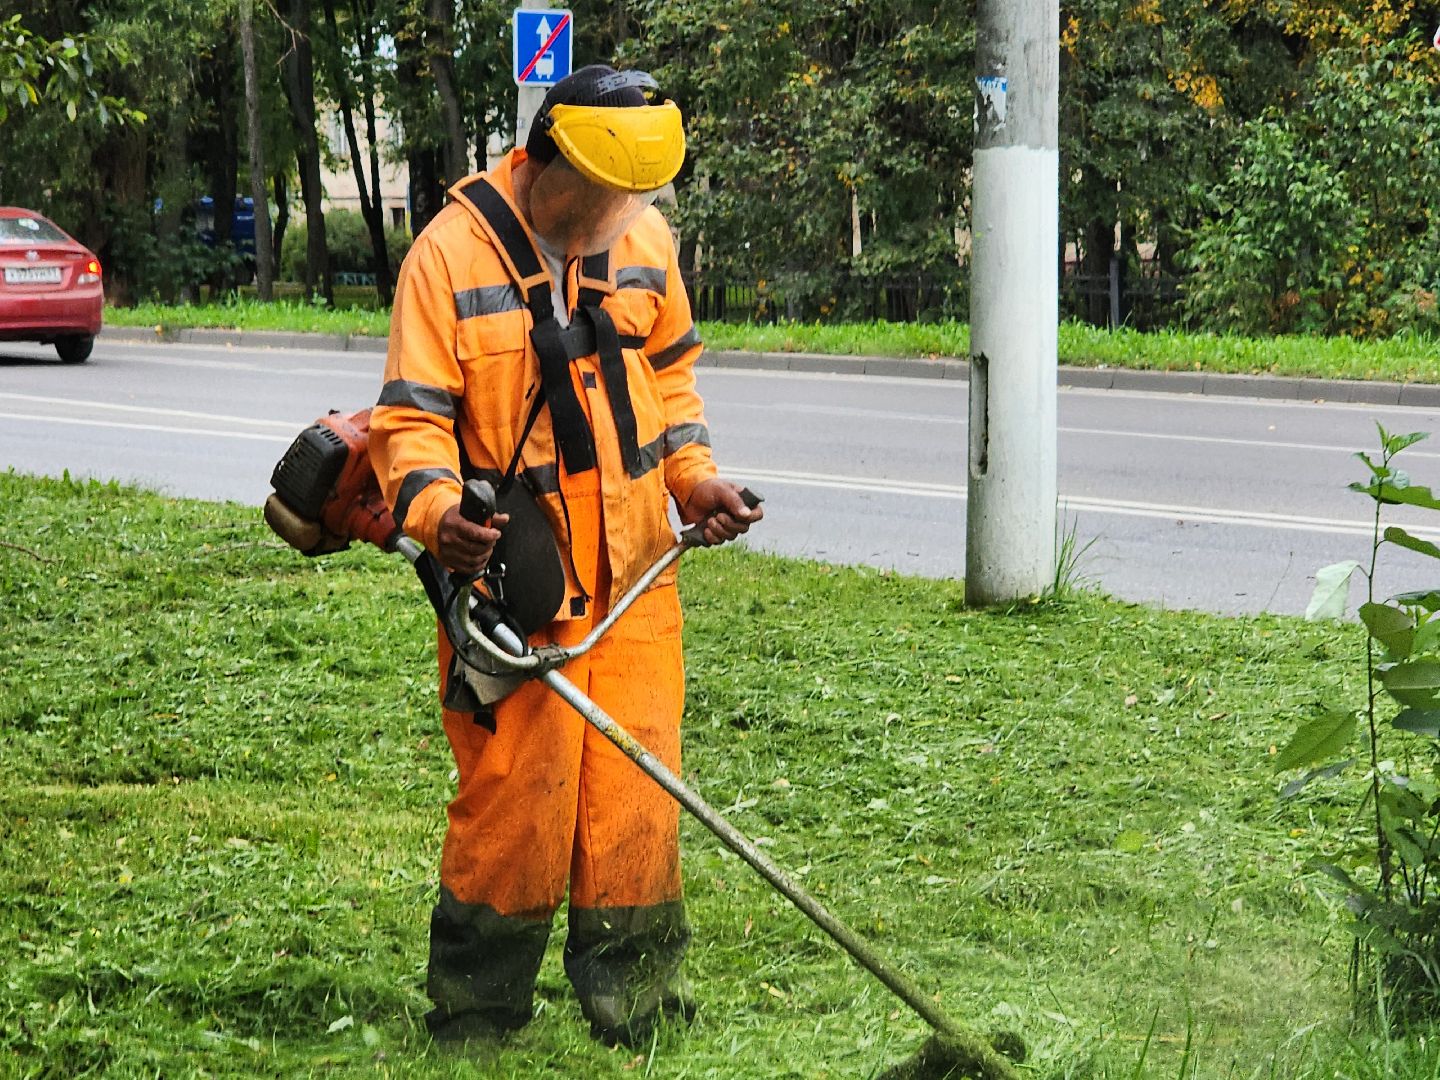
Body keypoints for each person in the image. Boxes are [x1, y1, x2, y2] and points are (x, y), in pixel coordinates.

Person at [368, 64, 762, 1049]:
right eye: (599, 197)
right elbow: (409, 423)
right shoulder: (448, 257)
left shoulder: (646, 242)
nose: (617, 218)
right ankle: (476, 1016)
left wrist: (695, 483)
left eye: (634, 199)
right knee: (515, 808)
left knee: (638, 796)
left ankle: (642, 1007)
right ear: (545, 161)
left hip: (633, 583)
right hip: (519, 587)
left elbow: (670, 386)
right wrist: (438, 514)